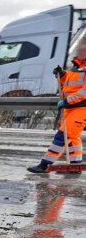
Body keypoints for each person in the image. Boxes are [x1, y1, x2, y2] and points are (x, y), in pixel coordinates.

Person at [28, 43, 86, 174]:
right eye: (80, 49)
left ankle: (45, 165)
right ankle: (75, 165)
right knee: (72, 138)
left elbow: (84, 92)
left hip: (81, 108)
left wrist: (67, 101)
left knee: (63, 135)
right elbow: (70, 86)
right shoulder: (76, 67)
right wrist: (62, 75)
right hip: (71, 108)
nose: (80, 52)